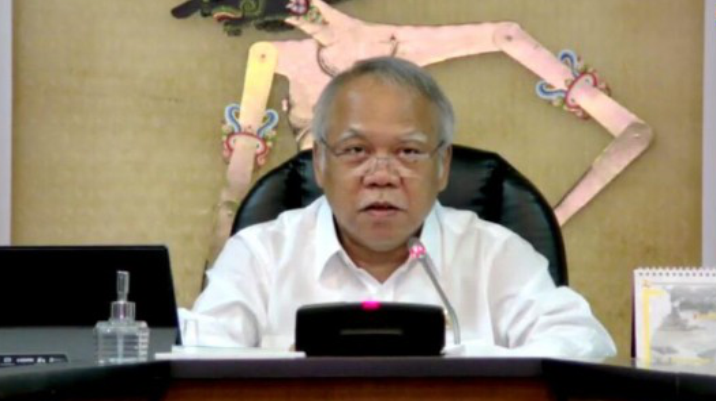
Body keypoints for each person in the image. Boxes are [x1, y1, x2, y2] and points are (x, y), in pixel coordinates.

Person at [184, 56, 616, 358]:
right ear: (320, 164)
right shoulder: (260, 255)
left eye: (408, 152)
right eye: (355, 150)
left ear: (442, 166)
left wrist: (454, 366)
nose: (381, 175)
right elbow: (200, 353)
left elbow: (579, 341)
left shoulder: (495, 254)